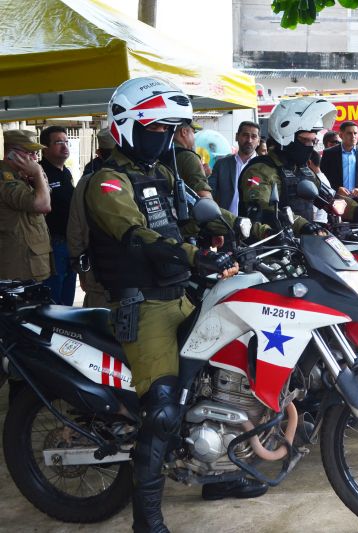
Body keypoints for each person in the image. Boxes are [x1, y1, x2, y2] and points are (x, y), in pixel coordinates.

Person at [85, 76, 262, 533]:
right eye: (156, 129)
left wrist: (240, 232)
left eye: (168, 129)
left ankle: (222, 470)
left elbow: (192, 215)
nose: (163, 137)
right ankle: (147, 521)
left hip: (182, 296)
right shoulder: (106, 182)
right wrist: (194, 255)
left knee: (223, 381)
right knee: (163, 410)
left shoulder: (162, 174)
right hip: (142, 306)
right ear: (128, 126)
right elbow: (136, 236)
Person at [238, 97, 336, 234]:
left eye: (312, 141)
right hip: (271, 247)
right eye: (304, 140)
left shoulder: (304, 170)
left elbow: (329, 199)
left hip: (305, 247)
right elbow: (261, 210)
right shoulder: (261, 170)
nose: (309, 146)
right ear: (285, 137)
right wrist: (302, 225)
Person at [68, 128, 114, 308]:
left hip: (97, 270)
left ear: (99, 154)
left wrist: (80, 268)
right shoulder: (141, 178)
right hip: (134, 276)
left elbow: (75, 230)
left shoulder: (86, 182)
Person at [0, 130, 52, 282]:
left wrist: (37, 178)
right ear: (12, 154)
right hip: (18, 268)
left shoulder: (20, 177)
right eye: (29, 153)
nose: (35, 158)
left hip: (29, 264)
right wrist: (37, 173)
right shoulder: (5, 179)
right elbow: (43, 205)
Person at [39, 126, 77, 305]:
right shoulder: (39, 173)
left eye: (66, 141)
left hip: (71, 242)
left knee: (68, 298)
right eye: (58, 142)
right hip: (53, 244)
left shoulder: (66, 172)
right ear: (45, 149)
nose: (65, 146)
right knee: (53, 298)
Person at [320, 121, 358, 207]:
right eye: (349, 133)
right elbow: (322, 177)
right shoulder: (329, 154)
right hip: (336, 202)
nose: (353, 136)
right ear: (341, 135)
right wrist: (336, 189)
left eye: (355, 133)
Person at [208, 121, 260, 215]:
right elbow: (210, 193)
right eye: (245, 135)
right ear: (237, 136)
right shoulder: (221, 165)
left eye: (253, 136)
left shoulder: (264, 167)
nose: (249, 140)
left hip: (255, 226)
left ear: (258, 141)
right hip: (226, 224)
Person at [161, 121, 213, 198]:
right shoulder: (189, 157)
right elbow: (204, 195)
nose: (194, 138)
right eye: (193, 133)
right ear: (184, 132)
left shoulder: (161, 154)